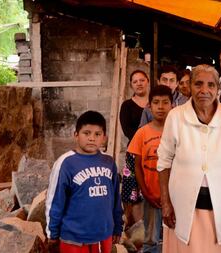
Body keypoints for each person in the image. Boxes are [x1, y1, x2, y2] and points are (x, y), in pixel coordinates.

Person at [157, 64, 221, 252]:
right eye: (198, 84)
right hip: (182, 210)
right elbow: (163, 162)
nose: (204, 90)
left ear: (218, 88)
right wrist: (166, 203)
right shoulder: (176, 116)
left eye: (211, 85)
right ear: (188, 87)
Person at [46, 110, 123, 253]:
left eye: (97, 134)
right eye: (86, 133)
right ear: (76, 135)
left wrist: (117, 226)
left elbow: (115, 199)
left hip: (102, 236)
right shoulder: (66, 163)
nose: (92, 138)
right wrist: (53, 234)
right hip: (73, 238)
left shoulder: (109, 162)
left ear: (104, 138)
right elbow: (55, 201)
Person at [127, 85, 173, 253]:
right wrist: (145, 192)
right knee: (151, 238)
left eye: (165, 102)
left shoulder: (177, 131)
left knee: (174, 235)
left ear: (172, 105)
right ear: (149, 106)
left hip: (175, 197)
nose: (160, 107)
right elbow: (137, 166)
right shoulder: (142, 133)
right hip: (151, 195)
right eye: (156, 102)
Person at [119, 70, 150, 230]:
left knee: (150, 187)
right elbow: (127, 131)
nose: (139, 83)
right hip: (135, 152)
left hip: (154, 153)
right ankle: (133, 225)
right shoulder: (127, 105)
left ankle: (150, 225)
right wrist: (146, 139)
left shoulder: (154, 103)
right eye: (135, 81)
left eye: (142, 80)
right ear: (131, 84)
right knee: (132, 189)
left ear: (148, 81)